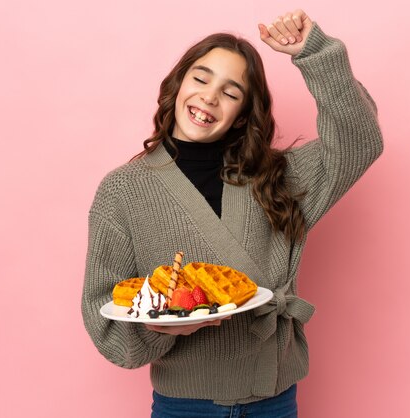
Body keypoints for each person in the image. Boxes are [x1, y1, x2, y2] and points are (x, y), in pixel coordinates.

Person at [82, 8, 383, 418]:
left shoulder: (277, 177)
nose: (209, 96)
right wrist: (162, 328)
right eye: (201, 78)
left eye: (231, 91)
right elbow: (104, 314)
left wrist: (315, 54)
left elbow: (360, 141)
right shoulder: (122, 191)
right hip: (183, 406)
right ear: (177, 85)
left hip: (274, 401)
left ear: (242, 114)